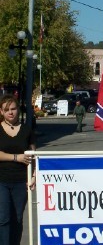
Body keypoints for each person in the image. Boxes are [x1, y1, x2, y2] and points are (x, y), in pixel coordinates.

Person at [0, 95, 36, 245]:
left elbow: (33, 155)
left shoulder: (27, 130)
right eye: (6, 109)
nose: (10, 112)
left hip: (21, 181)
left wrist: (34, 175)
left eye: (13, 109)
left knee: (18, 219)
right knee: (3, 219)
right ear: (1, 112)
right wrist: (16, 157)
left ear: (18, 110)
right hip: (1, 180)